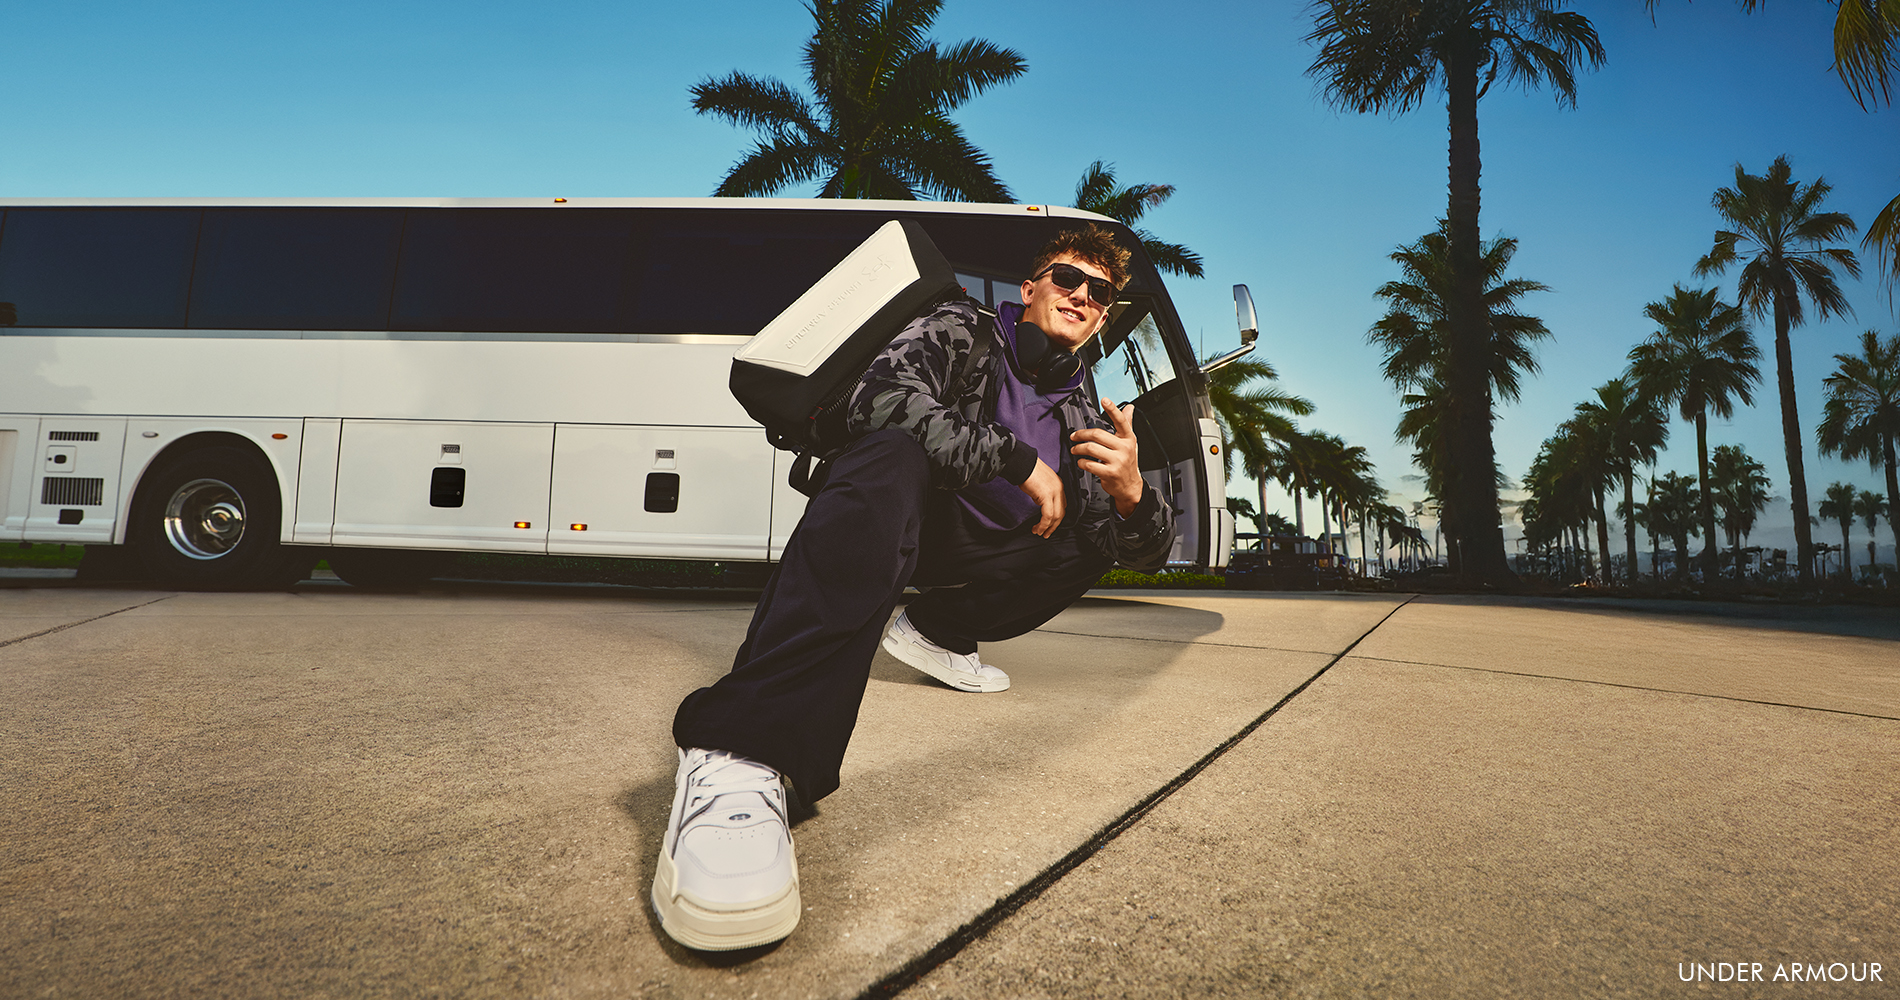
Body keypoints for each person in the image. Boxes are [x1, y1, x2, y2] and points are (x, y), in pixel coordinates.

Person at [650, 224, 1177, 951]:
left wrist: (1129, 495)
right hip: (895, 515)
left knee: (1092, 541)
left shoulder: (1090, 411)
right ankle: (743, 751)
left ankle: (938, 629)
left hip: (970, 555)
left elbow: (1147, 552)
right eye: (1067, 277)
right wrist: (1014, 456)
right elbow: (879, 397)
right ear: (1030, 289)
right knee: (889, 455)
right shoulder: (964, 328)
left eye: (1100, 292)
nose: (1082, 296)